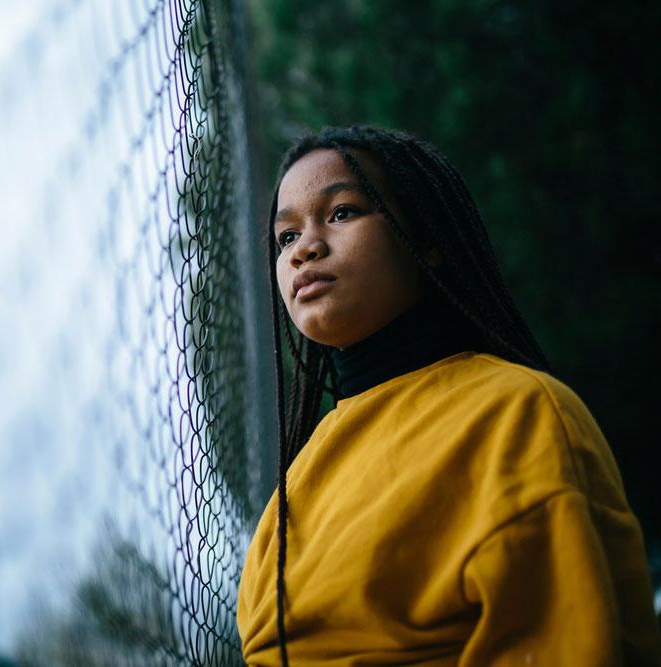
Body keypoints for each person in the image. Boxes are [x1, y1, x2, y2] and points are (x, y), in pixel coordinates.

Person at [236, 125, 661, 665]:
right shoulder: (296, 480)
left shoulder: (515, 413)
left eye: (342, 212)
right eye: (285, 237)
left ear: (428, 240)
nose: (305, 249)